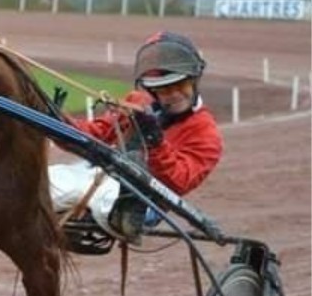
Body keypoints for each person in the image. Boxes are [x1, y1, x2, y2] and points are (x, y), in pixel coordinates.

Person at [49, 30, 224, 239]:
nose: (174, 94)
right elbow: (98, 134)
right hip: (98, 176)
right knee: (38, 180)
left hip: (148, 199)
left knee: (106, 200)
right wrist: (59, 123)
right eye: (164, 90)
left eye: (181, 85)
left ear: (194, 81)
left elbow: (178, 181)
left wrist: (155, 142)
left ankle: (125, 209)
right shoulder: (138, 102)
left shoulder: (207, 133)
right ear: (153, 92)